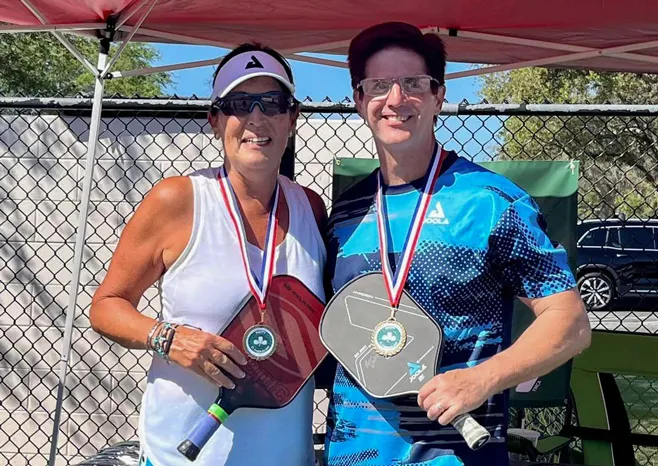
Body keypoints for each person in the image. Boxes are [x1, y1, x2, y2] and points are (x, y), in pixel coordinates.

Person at [323, 22, 592, 466]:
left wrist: (480, 380)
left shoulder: (492, 201)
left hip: (457, 455)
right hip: (350, 455)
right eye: (378, 85)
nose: (395, 100)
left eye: (412, 83)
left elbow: (570, 324)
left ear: (438, 96)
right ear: (359, 100)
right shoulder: (343, 217)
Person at [90, 43, 327, 466]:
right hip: (182, 456)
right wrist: (168, 338)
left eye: (272, 102)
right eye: (240, 103)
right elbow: (106, 306)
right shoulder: (177, 199)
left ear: (292, 118)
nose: (256, 118)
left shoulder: (310, 207)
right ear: (215, 120)